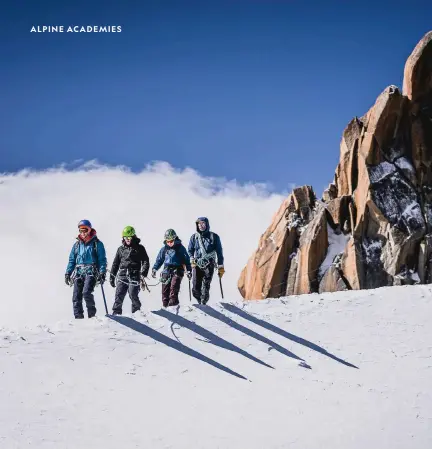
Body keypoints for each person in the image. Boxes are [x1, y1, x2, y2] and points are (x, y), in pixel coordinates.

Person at [65, 219, 107, 319]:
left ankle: (92, 316)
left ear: (89, 230)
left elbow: (102, 259)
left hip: (91, 272)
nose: (82, 233)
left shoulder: (97, 244)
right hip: (79, 272)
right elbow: (72, 260)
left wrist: (102, 272)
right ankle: (78, 318)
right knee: (76, 296)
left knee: (86, 292)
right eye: (80, 230)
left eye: (85, 230)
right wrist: (68, 273)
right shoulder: (76, 245)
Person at [110, 226, 150, 315]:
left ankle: (136, 312)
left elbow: (145, 261)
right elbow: (115, 263)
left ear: (133, 237)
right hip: (122, 274)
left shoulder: (140, 248)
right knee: (119, 294)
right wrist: (112, 276)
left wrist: (144, 272)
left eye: (129, 237)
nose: (127, 239)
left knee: (133, 294)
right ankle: (116, 313)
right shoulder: (120, 249)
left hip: (134, 274)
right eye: (125, 237)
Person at [187, 217, 224, 305]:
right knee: (195, 288)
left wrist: (220, 266)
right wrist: (192, 258)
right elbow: (190, 250)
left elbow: (219, 252)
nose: (201, 226)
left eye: (203, 223)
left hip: (209, 263)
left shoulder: (214, 237)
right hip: (197, 263)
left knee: (205, 285)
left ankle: (203, 303)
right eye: (199, 224)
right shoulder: (194, 237)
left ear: (206, 224)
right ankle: (200, 301)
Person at [151, 229, 192, 308]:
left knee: (173, 288)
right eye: (168, 241)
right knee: (165, 291)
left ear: (175, 239)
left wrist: (189, 271)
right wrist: (154, 269)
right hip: (166, 271)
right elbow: (159, 260)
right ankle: (165, 307)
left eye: (171, 241)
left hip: (177, 270)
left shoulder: (180, 248)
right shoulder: (164, 249)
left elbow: (187, 260)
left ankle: (173, 306)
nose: (169, 243)